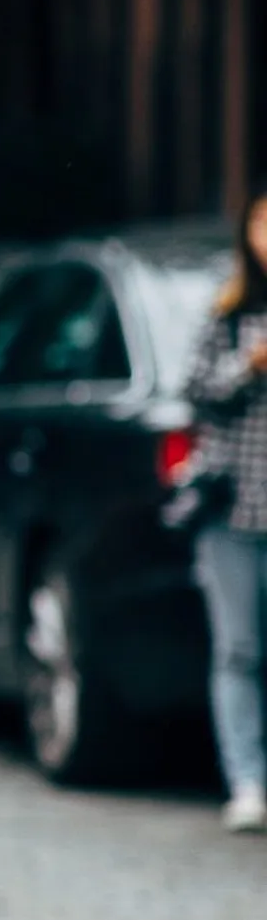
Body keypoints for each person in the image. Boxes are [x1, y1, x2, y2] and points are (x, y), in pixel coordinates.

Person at [185, 187, 267, 831]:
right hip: (233, 511)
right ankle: (247, 782)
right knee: (237, 650)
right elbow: (197, 395)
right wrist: (249, 366)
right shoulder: (228, 315)